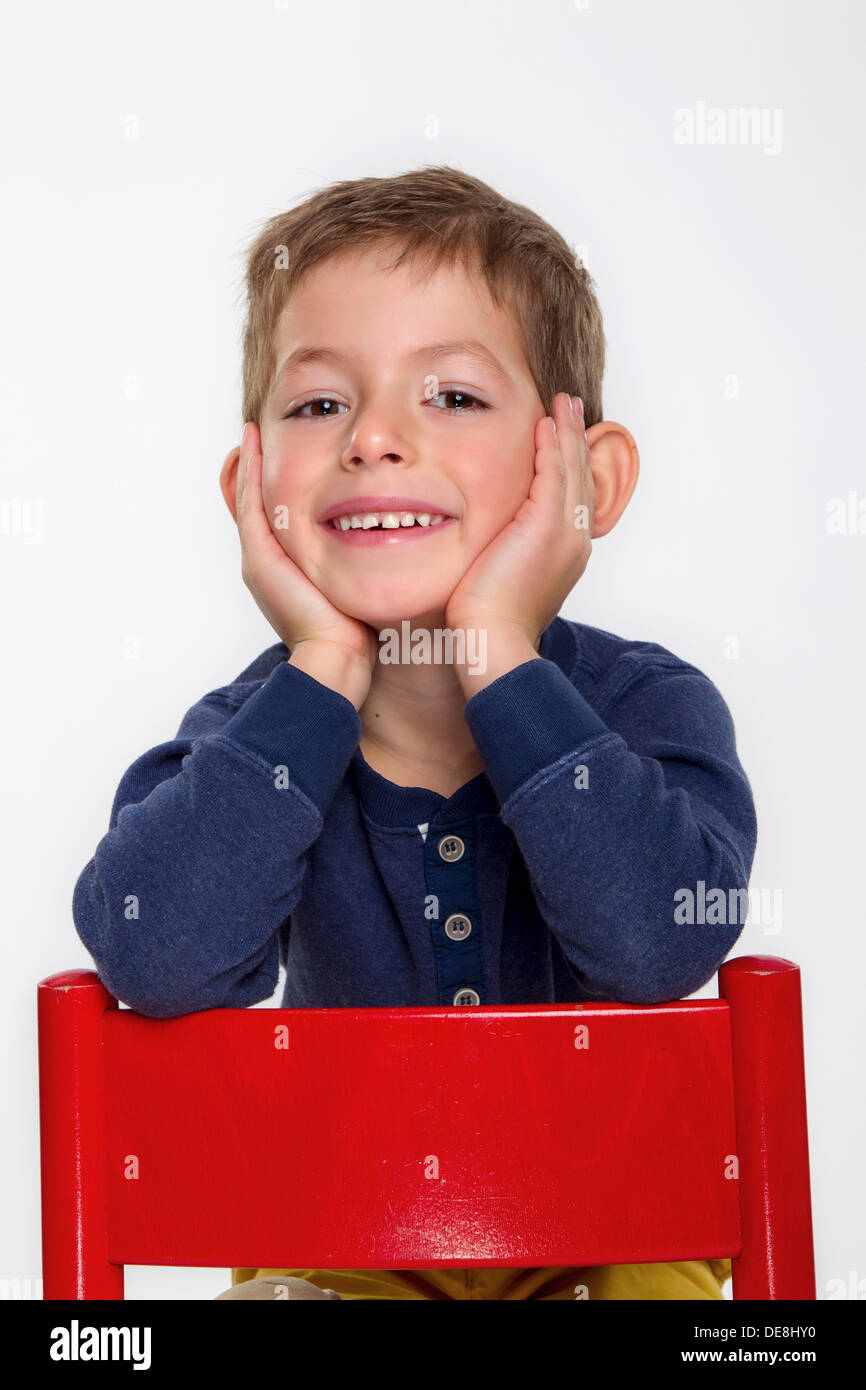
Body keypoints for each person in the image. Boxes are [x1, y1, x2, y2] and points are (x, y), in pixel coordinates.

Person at [73, 166, 755, 1301]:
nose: (373, 439)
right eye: (316, 403)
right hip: (336, 1239)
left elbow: (654, 945)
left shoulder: (648, 708)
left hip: (614, 1233)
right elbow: (151, 955)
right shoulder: (244, 742)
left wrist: (496, 648)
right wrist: (324, 668)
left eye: (448, 396)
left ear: (586, 477)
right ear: (252, 482)